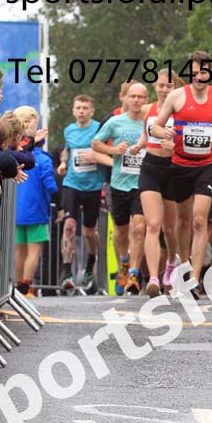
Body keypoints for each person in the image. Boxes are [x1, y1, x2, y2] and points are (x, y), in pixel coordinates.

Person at [150, 51, 212, 294]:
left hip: (208, 166)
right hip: (180, 165)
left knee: (201, 220)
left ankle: (195, 278)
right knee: (183, 221)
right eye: (195, 71)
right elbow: (156, 126)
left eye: (204, 71)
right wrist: (162, 133)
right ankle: (185, 264)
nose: (199, 76)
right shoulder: (177, 96)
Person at [131, 69, 183, 296]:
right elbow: (146, 133)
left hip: (173, 170)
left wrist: (176, 146)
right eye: (160, 85)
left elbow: (187, 140)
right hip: (150, 167)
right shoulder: (147, 109)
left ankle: (171, 263)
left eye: (168, 86)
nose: (163, 89)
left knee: (170, 229)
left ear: (175, 88)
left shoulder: (181, 110)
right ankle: (153, 277)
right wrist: (139, 145)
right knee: (152, 224)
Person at [92, 83, 148, 295]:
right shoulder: (115, 122)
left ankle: (133, 272)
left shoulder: (149, 122)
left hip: (143, 183)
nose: (136, 101)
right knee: (121, 230)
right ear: (125, 98)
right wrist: (114, 150)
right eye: (132, 96)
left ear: (145, 99)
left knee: (140, 226)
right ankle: (123, 262)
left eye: (140, 97)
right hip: (119, 183)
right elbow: (95, 144)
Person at [57, 95, 104, 290]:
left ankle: (91, 262)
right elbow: (67, 151)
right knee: (69, 225)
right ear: (73, 111)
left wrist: (95, 156)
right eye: (78, 108)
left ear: (91, 111)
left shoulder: (99, 128)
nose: (82, 111)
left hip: (93, 185)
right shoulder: (69, 130)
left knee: (88, 232)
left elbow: (105, 151)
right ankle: (66, 272)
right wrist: (63, 163)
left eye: (85, 107)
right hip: (72, 183)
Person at [15, 108, 58, 298]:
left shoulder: (14, 154)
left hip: (16, 210)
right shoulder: (42, 159)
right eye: (34, 124)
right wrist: (60, 202)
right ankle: (27, 287)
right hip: (37, 211)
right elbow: (50, 184)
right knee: (34, 252)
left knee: (20, 252)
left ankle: (16, 288)